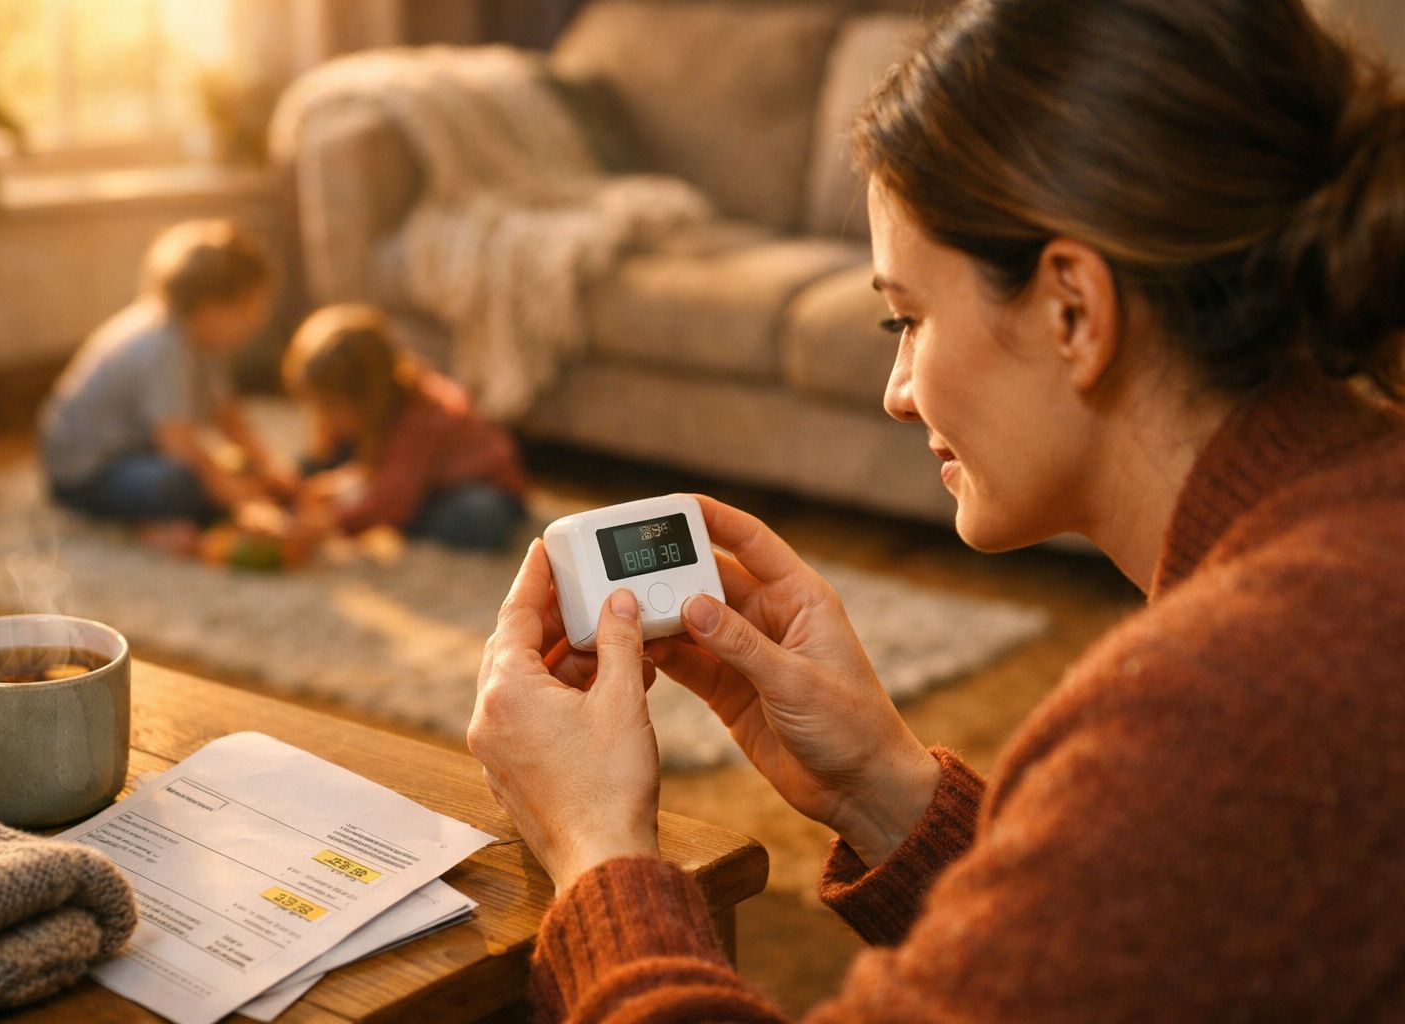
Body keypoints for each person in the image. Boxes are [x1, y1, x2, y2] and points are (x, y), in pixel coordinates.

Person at [468, 0, 1405, 1019]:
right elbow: (1135, 948)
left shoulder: (1221, 706)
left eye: (907, 317)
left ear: (1073, 313)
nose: (897, 389)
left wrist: (597, 851)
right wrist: (881, 787)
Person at [39, 219, 293, 550]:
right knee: (179, 484)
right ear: (208, 307)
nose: (259, 317)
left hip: (140, 449)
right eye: (248, 306)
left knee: (229, 466)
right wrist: (239, 498)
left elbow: (226, 414)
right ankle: (146, 527)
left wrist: (266, 465)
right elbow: (178, 445)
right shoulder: (164, 345)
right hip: (87, 474)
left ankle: (189, 512)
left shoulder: (204, 339)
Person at [282, 303, 527, 550]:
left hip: (471, 486)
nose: (323, 419)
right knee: (320, 466)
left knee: (477, 516)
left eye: (330, 409)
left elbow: (393, 497)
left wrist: (331, 522)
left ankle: (401, 511)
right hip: (408, 476)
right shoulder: (373, 413)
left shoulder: (425, 414)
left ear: (366, 396)